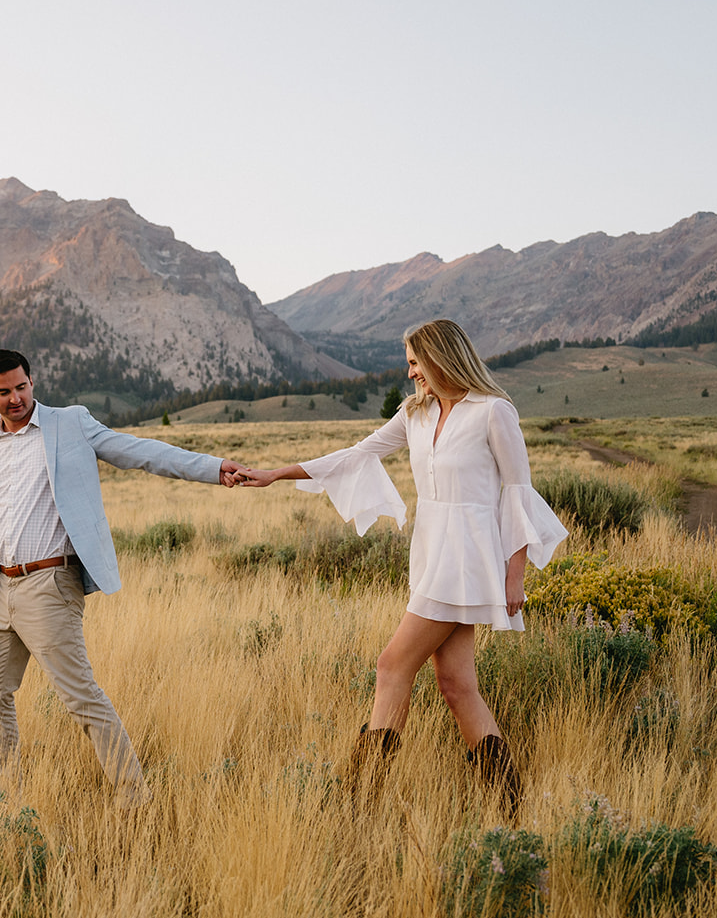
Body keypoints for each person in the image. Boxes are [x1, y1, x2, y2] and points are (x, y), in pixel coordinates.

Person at [241, 319, 566, 814]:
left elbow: (516, 493)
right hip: (433, 552)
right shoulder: (415, 413)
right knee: (458, 686)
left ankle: (359, 803)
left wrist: (514, 574)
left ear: (440, 357)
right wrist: (275, 474)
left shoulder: (493, 412)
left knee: (392, 665)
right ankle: (511, 808)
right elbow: (356, 455)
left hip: (468, 559)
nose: (410, 372)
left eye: (415, 361)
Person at [0, 348, 252, 809]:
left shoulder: (70, 423)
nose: (15, 398)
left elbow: (141, 452)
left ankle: (134, 798)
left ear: (32, 382)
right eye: (4, 392)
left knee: (80, 696)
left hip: (48, 584)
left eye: (22, 387)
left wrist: (211, 467)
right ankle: (6, 802)